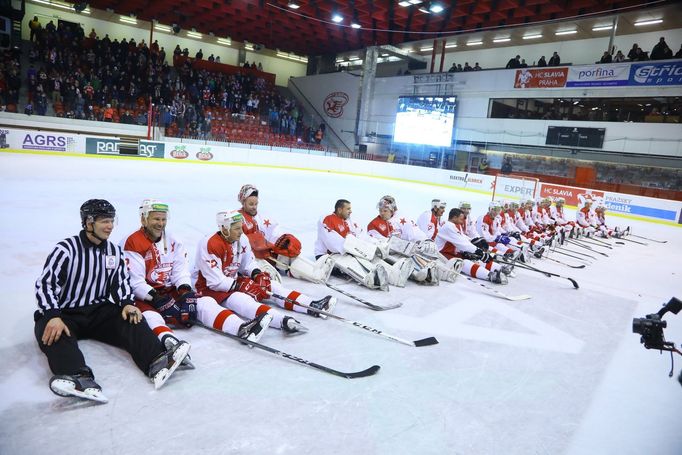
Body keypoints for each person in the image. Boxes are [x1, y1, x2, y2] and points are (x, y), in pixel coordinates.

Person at [34, 200, 190, 403]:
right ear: (88, 223)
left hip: (98, 311)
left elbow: (121, 282)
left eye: (111, 221)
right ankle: (77, 377)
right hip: (65, 314)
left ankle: (157, 361)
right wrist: (52, 316)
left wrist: (126, 302)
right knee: (52, 333)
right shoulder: (66, 249)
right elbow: (46, 284)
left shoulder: (113, 252)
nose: (110, 226)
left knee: (133, 318)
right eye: (104, 221)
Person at [122, 199, 275, 367]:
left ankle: (241, 328)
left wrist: (186, 293)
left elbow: (180, 271)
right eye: (155, 219)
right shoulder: (132, 242)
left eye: (163, 219)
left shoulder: (173, 239)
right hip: (143, 297)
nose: (160, 223)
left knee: (204, 303)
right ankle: (169, 343)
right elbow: (135, 282)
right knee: (151, 317)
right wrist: (158, 300)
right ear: (143, 219)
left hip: (168, 290)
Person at [194, 210, 335, 334]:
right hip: (208, 288)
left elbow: (247, 264)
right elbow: (215, 281)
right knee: (243, 300)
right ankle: (282, 321)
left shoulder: (241, 239)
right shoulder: (210, 244)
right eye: (236, 229)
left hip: (232, 280)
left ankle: (311, 305)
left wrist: (257, 275)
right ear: (224, 229)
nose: (241, 231)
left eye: (241, 227)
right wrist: (241, 286)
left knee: (271, 285)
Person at [236, 184, 335, 284]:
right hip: (254, 260)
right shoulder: (236, 218)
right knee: (269, 277)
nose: (254, 207)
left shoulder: (263, 218)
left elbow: (275, 232)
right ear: (243, 202)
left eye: (256, 204)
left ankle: (316, 274)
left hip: (270, 255)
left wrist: (284, 238)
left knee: (290, 254)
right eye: (251, 204)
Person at [314, 199, 389, 290]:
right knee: (352, 262)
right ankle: (369, 280)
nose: (351, 211)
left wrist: (375, 244)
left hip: (346, 250)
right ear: (340, 210)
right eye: (348, 209)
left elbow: (360, 235)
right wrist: (355, 249)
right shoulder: (328, 219)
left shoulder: (348, 221)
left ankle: (392, 274)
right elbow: (332, 244)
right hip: (327, 256)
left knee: (367, 258)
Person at [366, 196, 440, 285]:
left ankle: (428, 268)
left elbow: (413, 232)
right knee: (408, 259)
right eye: (380, 210)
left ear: (392, 210)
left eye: (385, 211)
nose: (382, 213)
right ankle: (419, 271)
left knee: (422, 251)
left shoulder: (400, 219)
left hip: (404, 251)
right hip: (388, 254)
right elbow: (379, 243)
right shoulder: (374, 225)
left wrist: (424, 240)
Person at [436, 208, 509, 284]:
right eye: (461, 219)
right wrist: (479, 251)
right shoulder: (448, 226)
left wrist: (475, 241)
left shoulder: (455, 225)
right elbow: (462, 243)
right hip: (443, 255)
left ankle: (500, 268)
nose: (463, 221)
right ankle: (489, 275)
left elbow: (462, 238)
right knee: (463, 262)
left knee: (475, 258)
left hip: (452, 252)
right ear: (454, 218)